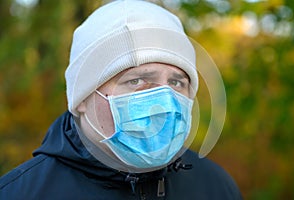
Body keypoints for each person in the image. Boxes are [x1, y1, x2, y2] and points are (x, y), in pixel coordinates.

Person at [0, 0, 242, 199]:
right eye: (136, 81)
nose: (164, 101)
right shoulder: (18, 193)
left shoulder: (216, 187)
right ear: (82, 98)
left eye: (176, 82)